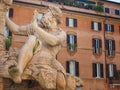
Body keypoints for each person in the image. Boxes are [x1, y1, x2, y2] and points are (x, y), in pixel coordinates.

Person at [6, 6, 66, 90]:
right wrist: (4, 14)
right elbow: (16, 29)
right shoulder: (37, 27)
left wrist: (36, 29)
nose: (43, 15)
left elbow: (54, 41)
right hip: (31, 54)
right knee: (32, 38)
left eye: (46, 13)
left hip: (47, 58)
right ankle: (18, 71)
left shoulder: (61, 33)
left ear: (53, 17)